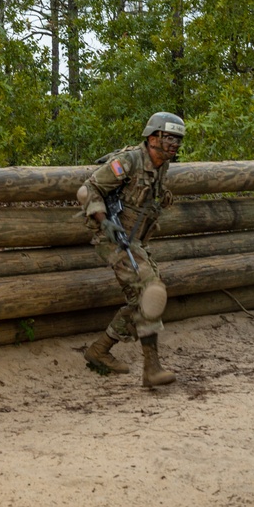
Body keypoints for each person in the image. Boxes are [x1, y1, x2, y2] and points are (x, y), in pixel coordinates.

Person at [78, 112, 184, 388]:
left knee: (142, 300)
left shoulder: (161, 166)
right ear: (153, 138)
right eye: (169, 138)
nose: (175, 145)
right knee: (150, 291)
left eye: (178, 140)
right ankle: (152, 369)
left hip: (137, 242)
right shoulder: (129, 161)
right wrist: (105, 224)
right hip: (114, 240)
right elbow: (89, 189)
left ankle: (100, 350)